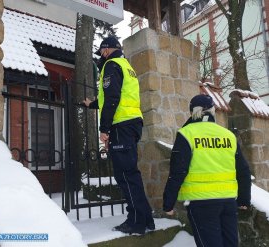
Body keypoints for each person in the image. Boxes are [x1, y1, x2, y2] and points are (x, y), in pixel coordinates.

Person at [83, 36, 155, 235]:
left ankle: (136, 222)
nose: (101, 56)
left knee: (124, 175)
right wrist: (93, 104)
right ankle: (146, 218)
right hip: (132, 123)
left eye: (101, 52)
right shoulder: (126, 66)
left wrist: (104, 129)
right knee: (131, 173)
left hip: (120, 125)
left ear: (107, 50)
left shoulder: (111, 66)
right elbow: (115, 96)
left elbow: (113, 98)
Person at [163, 94, 251, 247]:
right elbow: (243, 170)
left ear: (192, 112)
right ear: (212, 111)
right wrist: (244, 199)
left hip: (201, 204)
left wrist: (168, 203)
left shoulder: (186, 134)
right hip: (228, 202)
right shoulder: (228, 135)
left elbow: (178, 171)